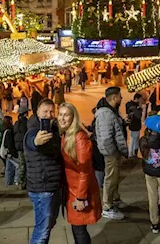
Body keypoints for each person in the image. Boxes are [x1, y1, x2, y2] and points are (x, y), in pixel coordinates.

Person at [58, 102, 102, 244]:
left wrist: (81, 197)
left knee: (79, 228)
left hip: (80, 190)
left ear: (73, 118)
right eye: (60, 114)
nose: (62, 118)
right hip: (72, 189)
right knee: (76, 228)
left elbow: (85, 170)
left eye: (66, 115)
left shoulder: (79, 138)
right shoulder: (65, 135)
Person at [24, 99, 63, 244]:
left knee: (47, 226)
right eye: (45, 111)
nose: (49, 114)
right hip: (42, 188)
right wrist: (36, 142)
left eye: (52, 111)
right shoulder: (33, 129)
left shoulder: (53, 128)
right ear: (37, 112)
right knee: (42, 231)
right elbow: (31, 141)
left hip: (52, 186)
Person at [95, 87, 128, 220]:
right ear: (114, 97)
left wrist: (123, 123)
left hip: (115, 152)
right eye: (120, 96)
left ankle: (114, 200)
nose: (121, 98)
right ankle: (107, 206)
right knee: (110, 178)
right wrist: (112, 153)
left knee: (114, 178)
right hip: (111, 153)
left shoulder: (111, 111)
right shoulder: (105, 113)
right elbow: (105, 137)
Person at [1, 116, 20, 186]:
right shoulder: (8, 131)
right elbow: (10, 145)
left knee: (8, 168)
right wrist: (15, 154)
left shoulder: (3, 129)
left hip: (6, 153)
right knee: (18, 165)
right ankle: (16, 180)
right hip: (9, 153)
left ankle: (8, 182)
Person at [14, 105, 29, 190]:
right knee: (24, 165)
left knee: (21, 164)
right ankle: (22, 182)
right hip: (24, 146)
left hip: (18, 147)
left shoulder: (17, 123)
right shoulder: (26, 122)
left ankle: (21, 181)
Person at [126, 93, 143, 158]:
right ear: (137, 99)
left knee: (135, 140)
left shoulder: (131, 105)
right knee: (133, 140)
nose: (141, 100)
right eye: (140, 99)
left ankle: (133, 154)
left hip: (135, 126)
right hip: (134, 126)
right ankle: (131, 154)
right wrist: (139, 108)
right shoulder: (133, 106)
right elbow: (138, 116)